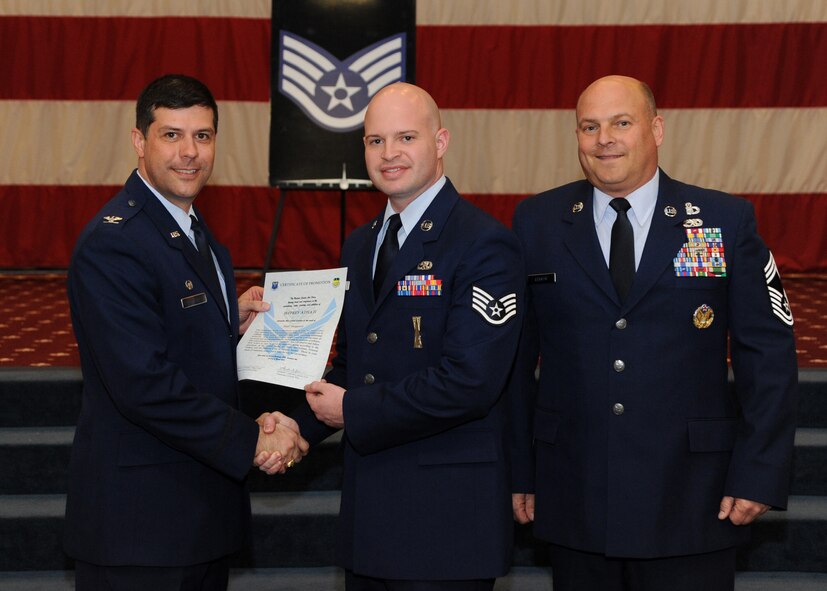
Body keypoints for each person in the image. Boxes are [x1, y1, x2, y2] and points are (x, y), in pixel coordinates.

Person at [508, 75, 798, 590]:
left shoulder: (721, 221)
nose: (605, 139)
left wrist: (758, 472)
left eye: (622, 123)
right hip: (575, 492)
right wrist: (520, 470)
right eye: (590, 126)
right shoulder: (539, 223)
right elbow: (513, 362)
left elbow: (768, 359)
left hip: (692, 497)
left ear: (656, 129)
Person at [262, 82, 524, 590]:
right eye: (375, 140)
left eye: (406, 137)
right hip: (372, 516)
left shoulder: (485, 243)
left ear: (441, 141)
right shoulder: (362, 243)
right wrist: (293, 427)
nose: (389, 154)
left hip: (447, 520)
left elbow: (471, 382)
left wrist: (353, 410)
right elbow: (353, 364)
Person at [64, 74, 308, 591]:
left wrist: (225, 324)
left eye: (203, 135)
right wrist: (253, 439)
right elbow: (143, 384)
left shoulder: (199, 235)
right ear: (139, 141)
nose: (190, 153)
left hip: (198, 518)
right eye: (171, 135)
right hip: (138, 528)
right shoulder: (116, 243)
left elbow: (181, 345)